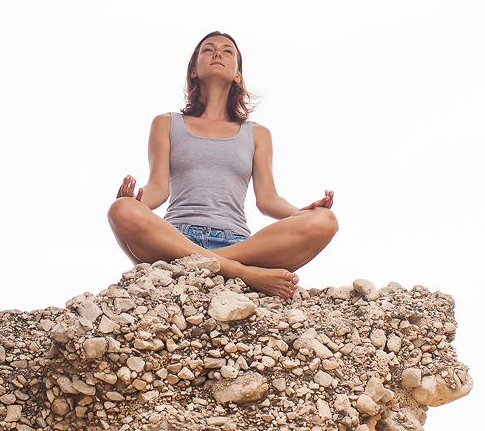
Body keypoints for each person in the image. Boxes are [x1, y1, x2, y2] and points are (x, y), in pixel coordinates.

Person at [107, 31, 337, 300]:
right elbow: (158, 187)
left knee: (326, 221)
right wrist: (135, 202)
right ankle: (242, 273)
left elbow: (267, 199)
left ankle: (200, 263)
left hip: (237, 244)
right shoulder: (167, 123)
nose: (218, 53)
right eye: (208, 49)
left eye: (228, 51)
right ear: (193, 70)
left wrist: (301, 213)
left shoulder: (257, 133)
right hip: (176, 235)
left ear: (238, 73)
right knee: (120, 209)